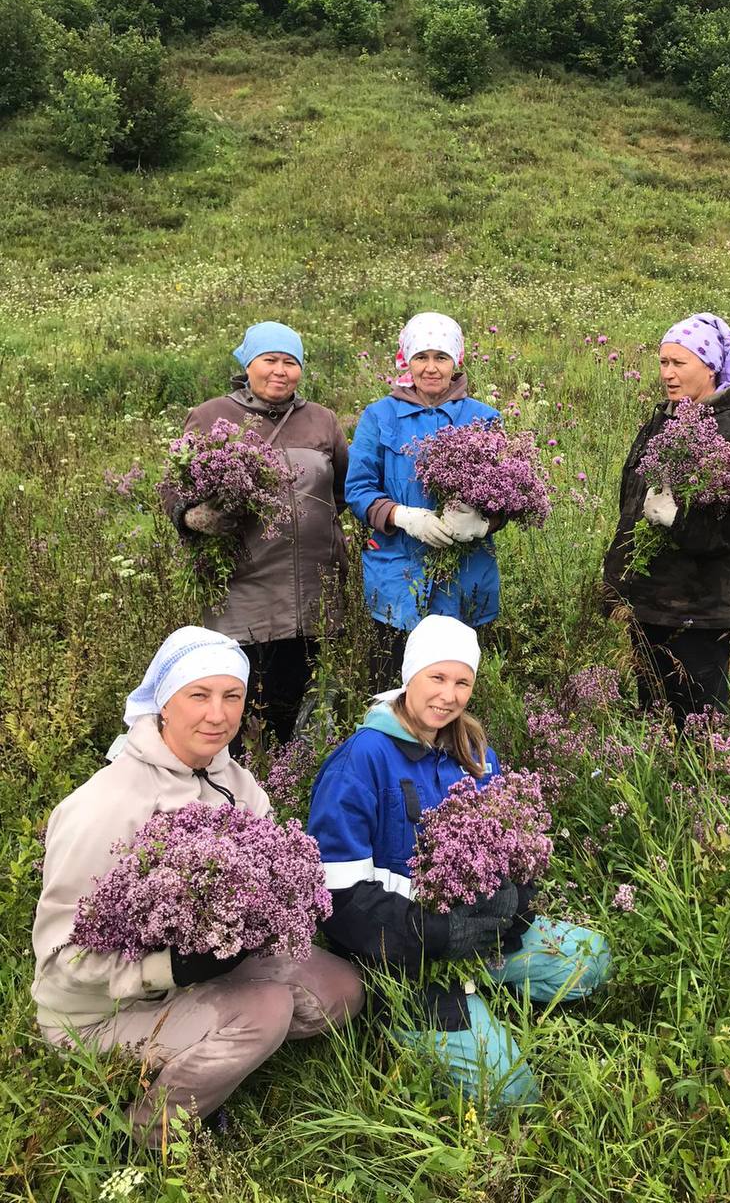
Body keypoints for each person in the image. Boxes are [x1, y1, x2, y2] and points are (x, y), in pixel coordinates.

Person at [32, 627, 364, 1146]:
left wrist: (272, 913)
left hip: (200, 968)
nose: (218, 714)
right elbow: (60, 961)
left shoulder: (233, 781)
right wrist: (172, 967)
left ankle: (210, 1050)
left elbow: (275, 875)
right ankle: (144, 1132)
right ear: (164, 703)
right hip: (99, 1013)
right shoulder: (105, 807)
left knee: (339, 991)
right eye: (199, 695)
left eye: (231, 696)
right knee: (270, 1009)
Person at [306, 614, 610, 1107]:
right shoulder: (362, 759)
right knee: (510, 1093)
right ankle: (413, 1016)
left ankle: (485, 988)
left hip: (477, 937)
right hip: (399, 959)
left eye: (462, 681)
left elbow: (514, 848)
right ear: (410, 677)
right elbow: (337, 900)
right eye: (437, 678)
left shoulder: (473, 749)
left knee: (595, 959)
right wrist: (438, 936)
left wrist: (514, 904)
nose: (448, 695)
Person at [165, 321, 348, 745]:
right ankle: (229, 787)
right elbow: (174, 487)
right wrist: (192, 516)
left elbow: (341, 491)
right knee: (231, 695)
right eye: (269, 360)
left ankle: (277, 783)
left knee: (292, 693)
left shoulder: (322, 421)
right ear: (248, 364)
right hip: (242, 586)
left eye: (290, 362)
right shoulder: (212, 416)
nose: (280, 370)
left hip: (310, 587)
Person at [603, 313, 730, 728]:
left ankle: (709, 791)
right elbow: (631, 506)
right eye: (663, 363)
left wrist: (678, 519)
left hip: (700, 607)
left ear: (711, 366)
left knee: (699, 726)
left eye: (680, 363)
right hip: (650, 601)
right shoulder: (667, 418)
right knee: (653, 719)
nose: (667, 374)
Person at [346, 312, 501, 694]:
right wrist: (402, 515)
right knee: (392, 685)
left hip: (466, 575)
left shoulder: (483, 419)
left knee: (453, 688)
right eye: (421, 357)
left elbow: (509, 495)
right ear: (406, 361)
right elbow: (358, 488)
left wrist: (484, 524)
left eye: (441, 358)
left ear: (456, 362)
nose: (431, 368)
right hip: (397, 575)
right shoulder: (379, 416)